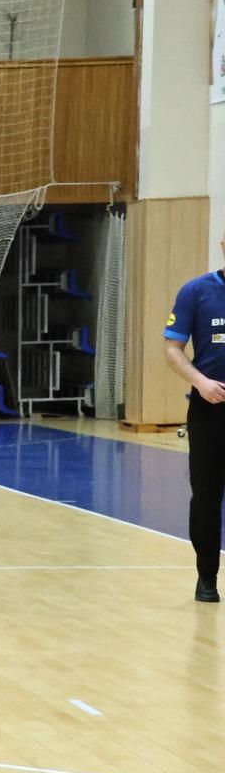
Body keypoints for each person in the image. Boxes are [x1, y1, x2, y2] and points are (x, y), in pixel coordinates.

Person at [163, 243, 225, 602]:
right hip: (211, 409)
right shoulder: (197, 291)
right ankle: (207, 577)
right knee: (206, 495)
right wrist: (201, 382)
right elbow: (172, 349)